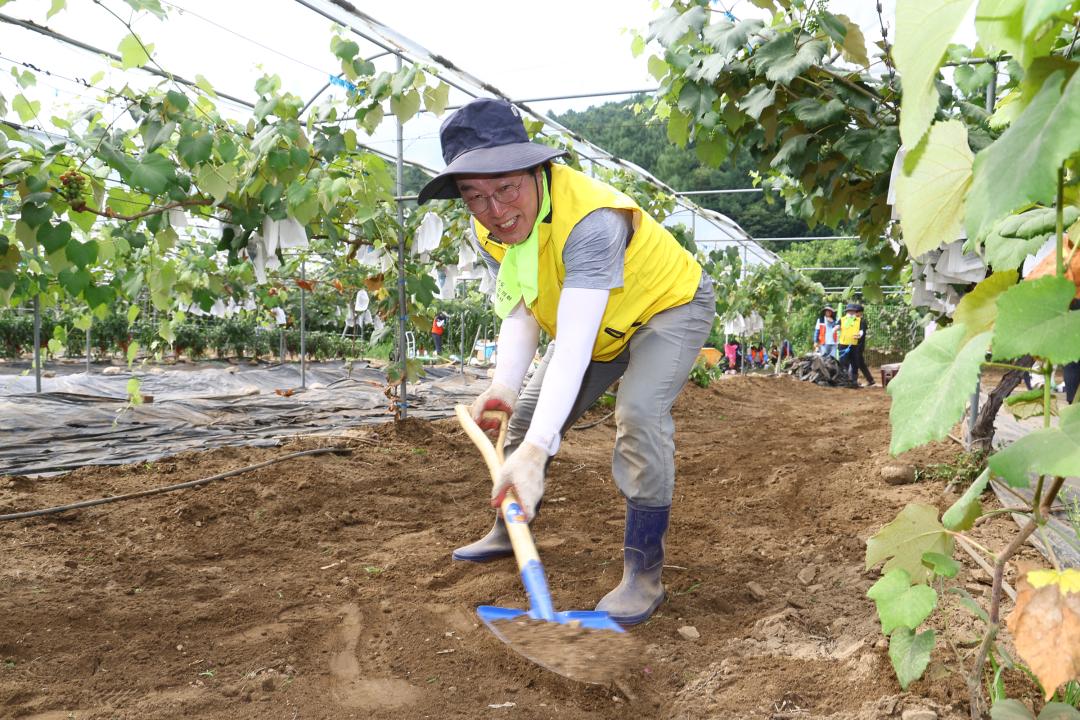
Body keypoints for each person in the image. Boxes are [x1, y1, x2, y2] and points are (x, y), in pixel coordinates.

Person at [417, 98, 715, 626]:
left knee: (640, 416)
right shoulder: (490, 230)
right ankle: (510, 526)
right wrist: (505, 386)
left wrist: (536, 452)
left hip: (666, 308)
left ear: (538, 171)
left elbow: (573, 347)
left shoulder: (591, 221)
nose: (495, 210)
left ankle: (643, 574)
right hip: (597, 321)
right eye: (475, 196)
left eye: (506, 188)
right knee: (527, 418)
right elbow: (523, 307)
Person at [837, 304, 861, 384]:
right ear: (846, 312)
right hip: (843, 344)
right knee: (843, 363)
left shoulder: (859, 320)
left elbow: (862, 330)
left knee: (855, 363)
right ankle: (843, 380)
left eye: (853, 311)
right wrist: (836, 328)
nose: (851, 312)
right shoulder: (842, 319)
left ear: (855, 312)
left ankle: (854, 380)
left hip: (854, 345)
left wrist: (860, 334)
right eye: (849, 311)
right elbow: (836, 326)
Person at [852, 305, 875, 386]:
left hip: (859, 346)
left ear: (860, 312)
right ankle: (870, 380)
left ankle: (854, 380)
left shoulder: (862, 322)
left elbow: (861, 333)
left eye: (856, 312)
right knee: (860, 363)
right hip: (854, 345)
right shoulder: (854, 321)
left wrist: (856, 336)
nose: (855, 313)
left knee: (856, 362)